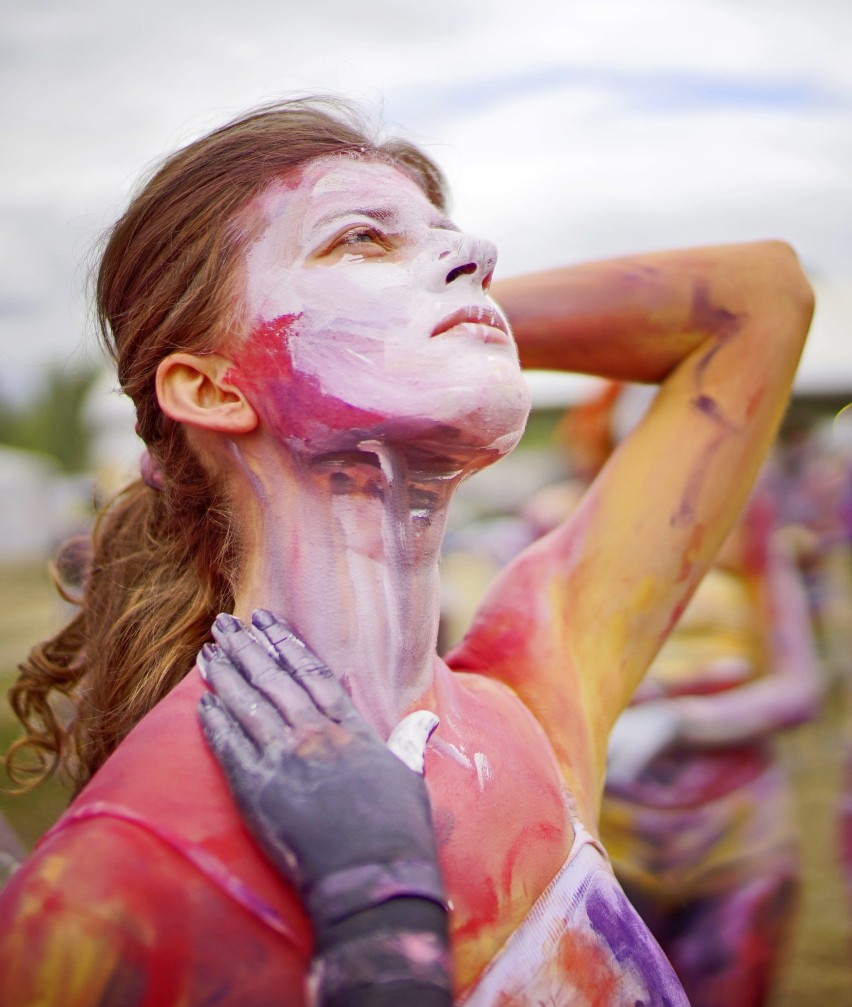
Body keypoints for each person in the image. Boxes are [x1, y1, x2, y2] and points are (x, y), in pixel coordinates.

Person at [0, 96, 813, 1005]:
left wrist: (438, 311)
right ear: (209, 388)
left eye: (451, 238)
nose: (482, 256)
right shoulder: (113, 893)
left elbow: (762, 296)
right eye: (360, 239)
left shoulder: (531, 706)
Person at [600, 488, 822, 1007]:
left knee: (730, 978)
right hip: (616, 834)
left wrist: (681, 722)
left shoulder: (751, 534)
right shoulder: (579, 524)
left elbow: (800, 687)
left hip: (735, 831)